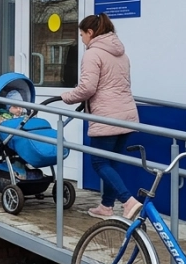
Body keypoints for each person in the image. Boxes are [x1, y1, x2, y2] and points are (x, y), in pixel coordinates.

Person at [60, 13, 141, 220]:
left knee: (99, 163)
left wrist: (66, 96)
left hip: (107, 116)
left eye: (81, 34)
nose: (81, 39)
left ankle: (128, 202)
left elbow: (87, 88)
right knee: (111, 162)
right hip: (126, 115)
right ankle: (106, 206)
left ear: (90, 32)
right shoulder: (121, 53)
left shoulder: (93, 54)